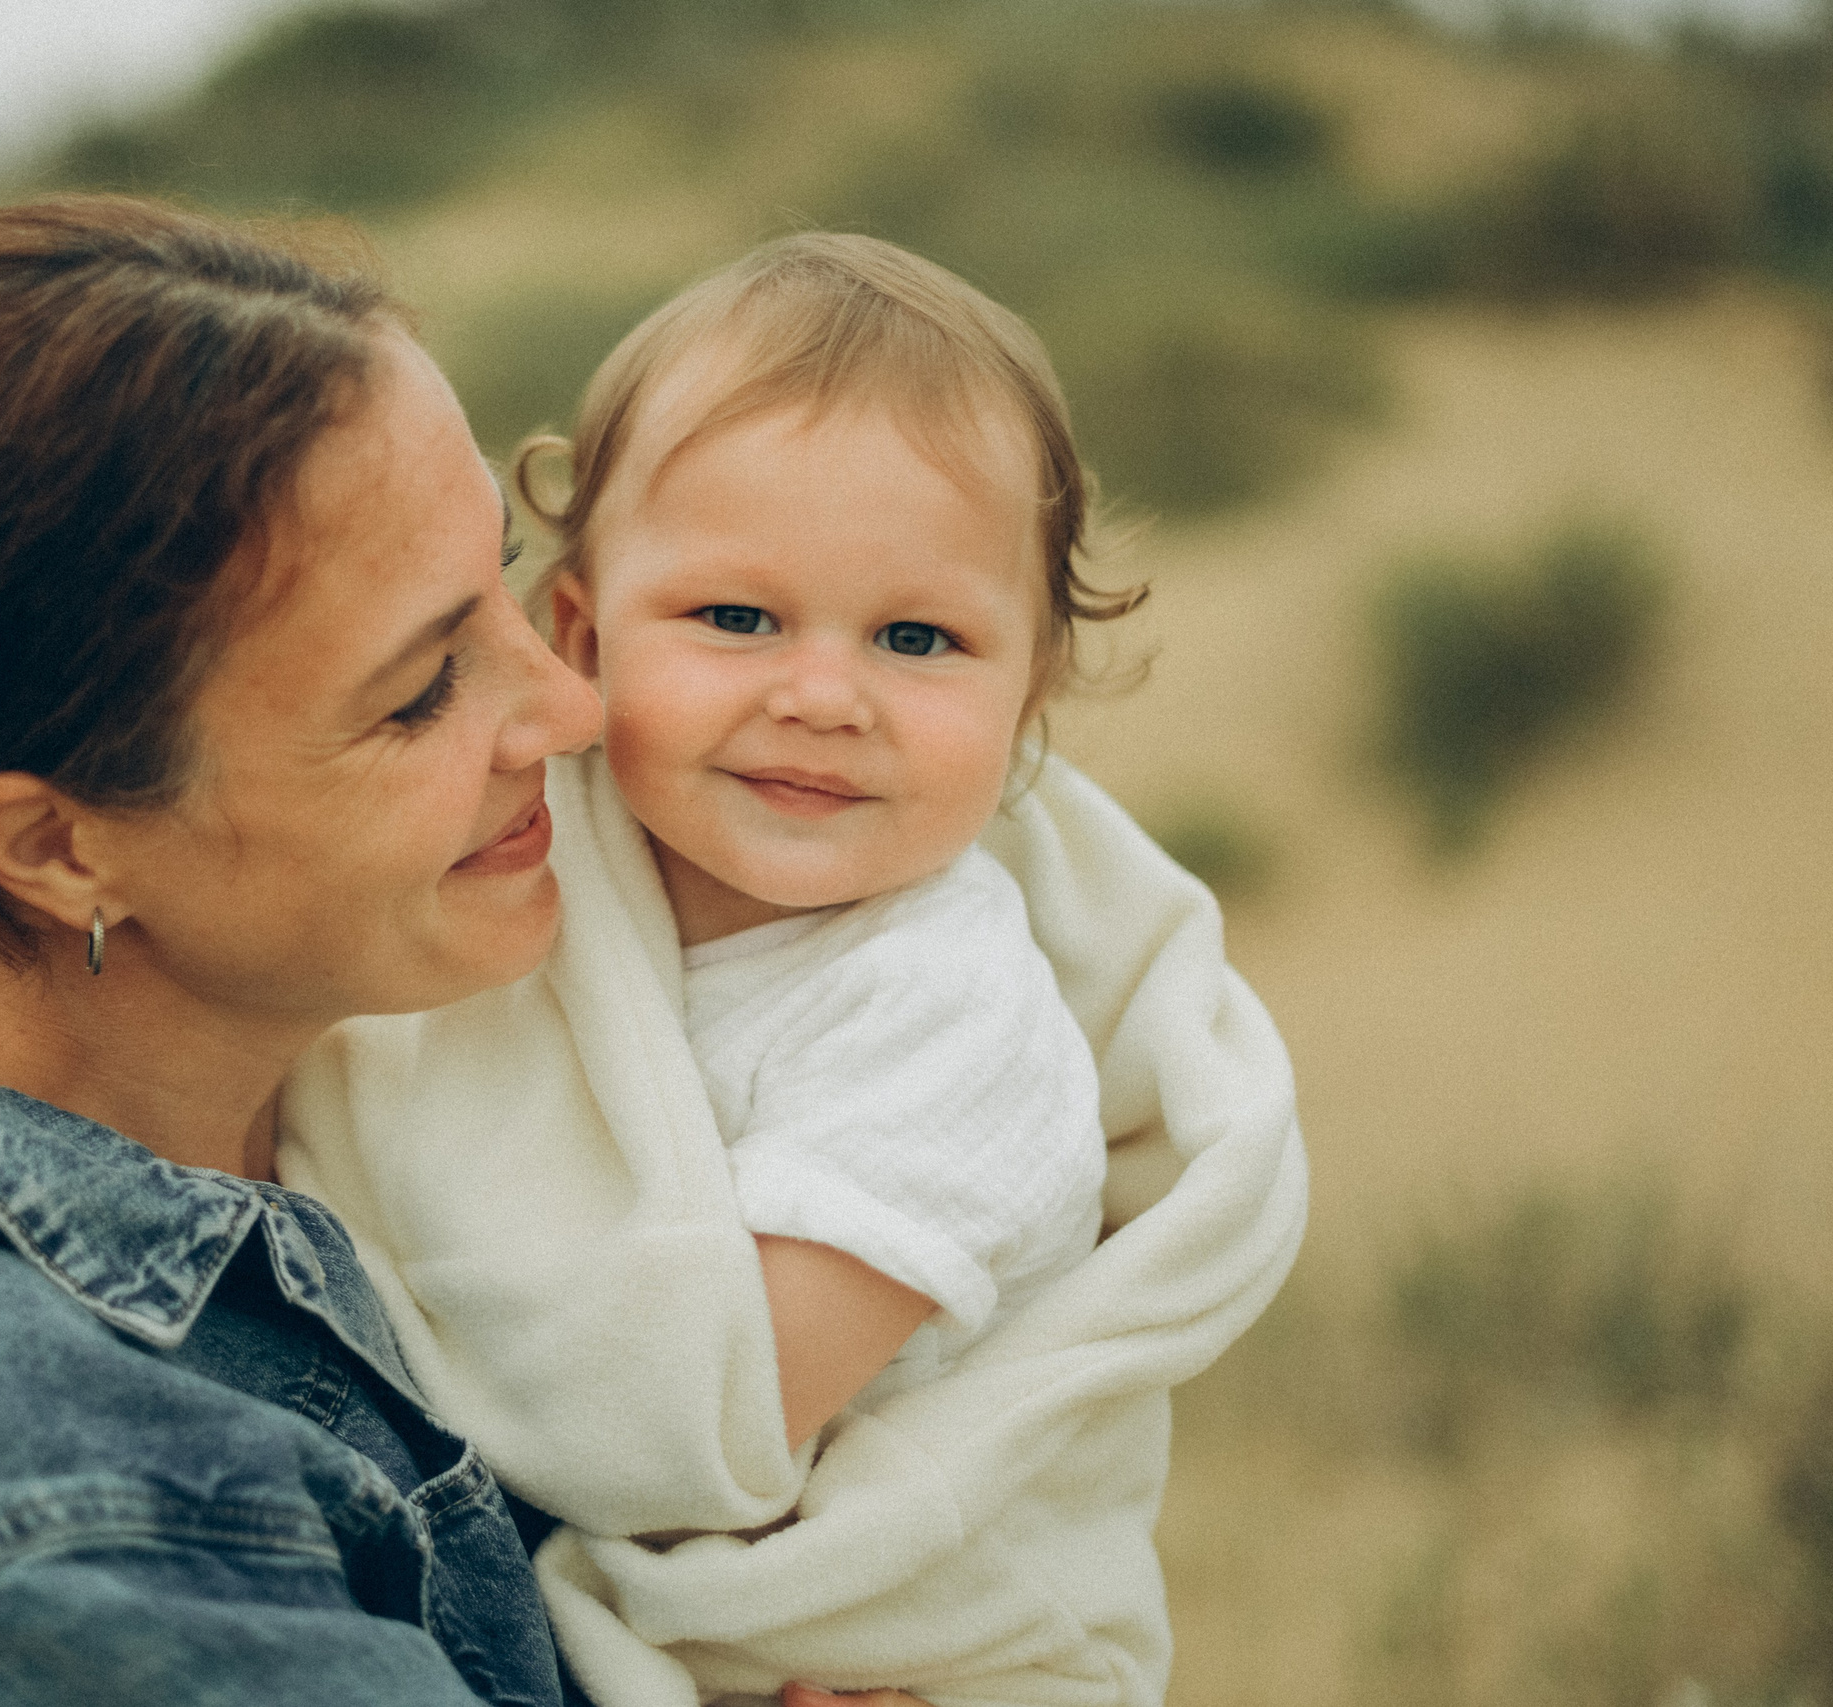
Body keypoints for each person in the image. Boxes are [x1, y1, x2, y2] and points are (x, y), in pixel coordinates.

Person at [0, 192, 640, 1705]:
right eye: (422, 690)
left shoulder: (340, 1067)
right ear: (59, 847)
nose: (570, 707)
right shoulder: (43, 1501)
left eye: (505, 575)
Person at [279, 236, 1308, 1706]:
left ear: (1029, 701)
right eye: (736, 617)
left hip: (891, 1653)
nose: (822, 696)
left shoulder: (950, 1020)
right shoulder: (535, 868)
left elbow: (690, 1429)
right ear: (580, 635)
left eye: (918, 637)